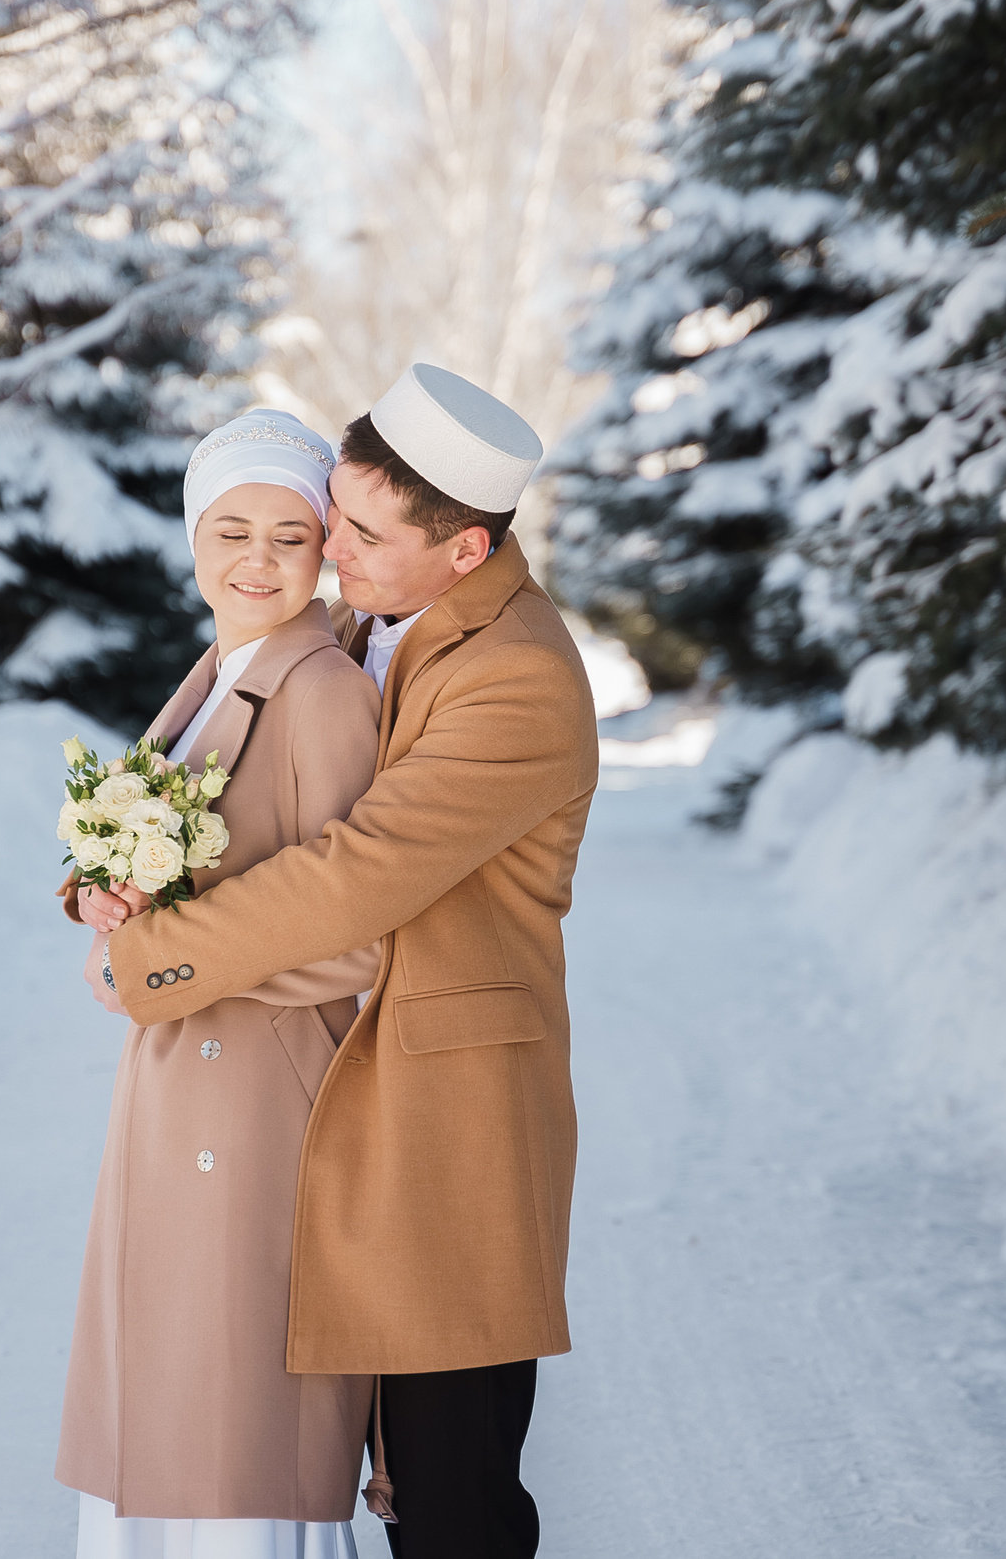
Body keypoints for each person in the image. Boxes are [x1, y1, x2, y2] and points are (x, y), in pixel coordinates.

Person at [81, 364, 598, 1559]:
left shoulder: (516, 677)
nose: (329, 545)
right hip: (332, 1081)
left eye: (357, 531)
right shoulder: (378, 610)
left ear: (463, 551)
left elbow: (353, 873)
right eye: (336, 510)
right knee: (341, 1458)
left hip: (444, 1112)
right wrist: (114, 872)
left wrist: (155, 959)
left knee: (446, 1485)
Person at [57, 409, 385, 1559]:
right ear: (193, 537)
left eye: (289, 538)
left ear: (326, 551)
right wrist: (107, 900)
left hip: (255, 1104)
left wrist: (171, 963)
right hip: (180, 1090)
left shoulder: (323, 691)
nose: (257, 560)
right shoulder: (219, 673)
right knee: (166, 1411)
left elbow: (363, 937)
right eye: (231, 529)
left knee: (231, 1435)